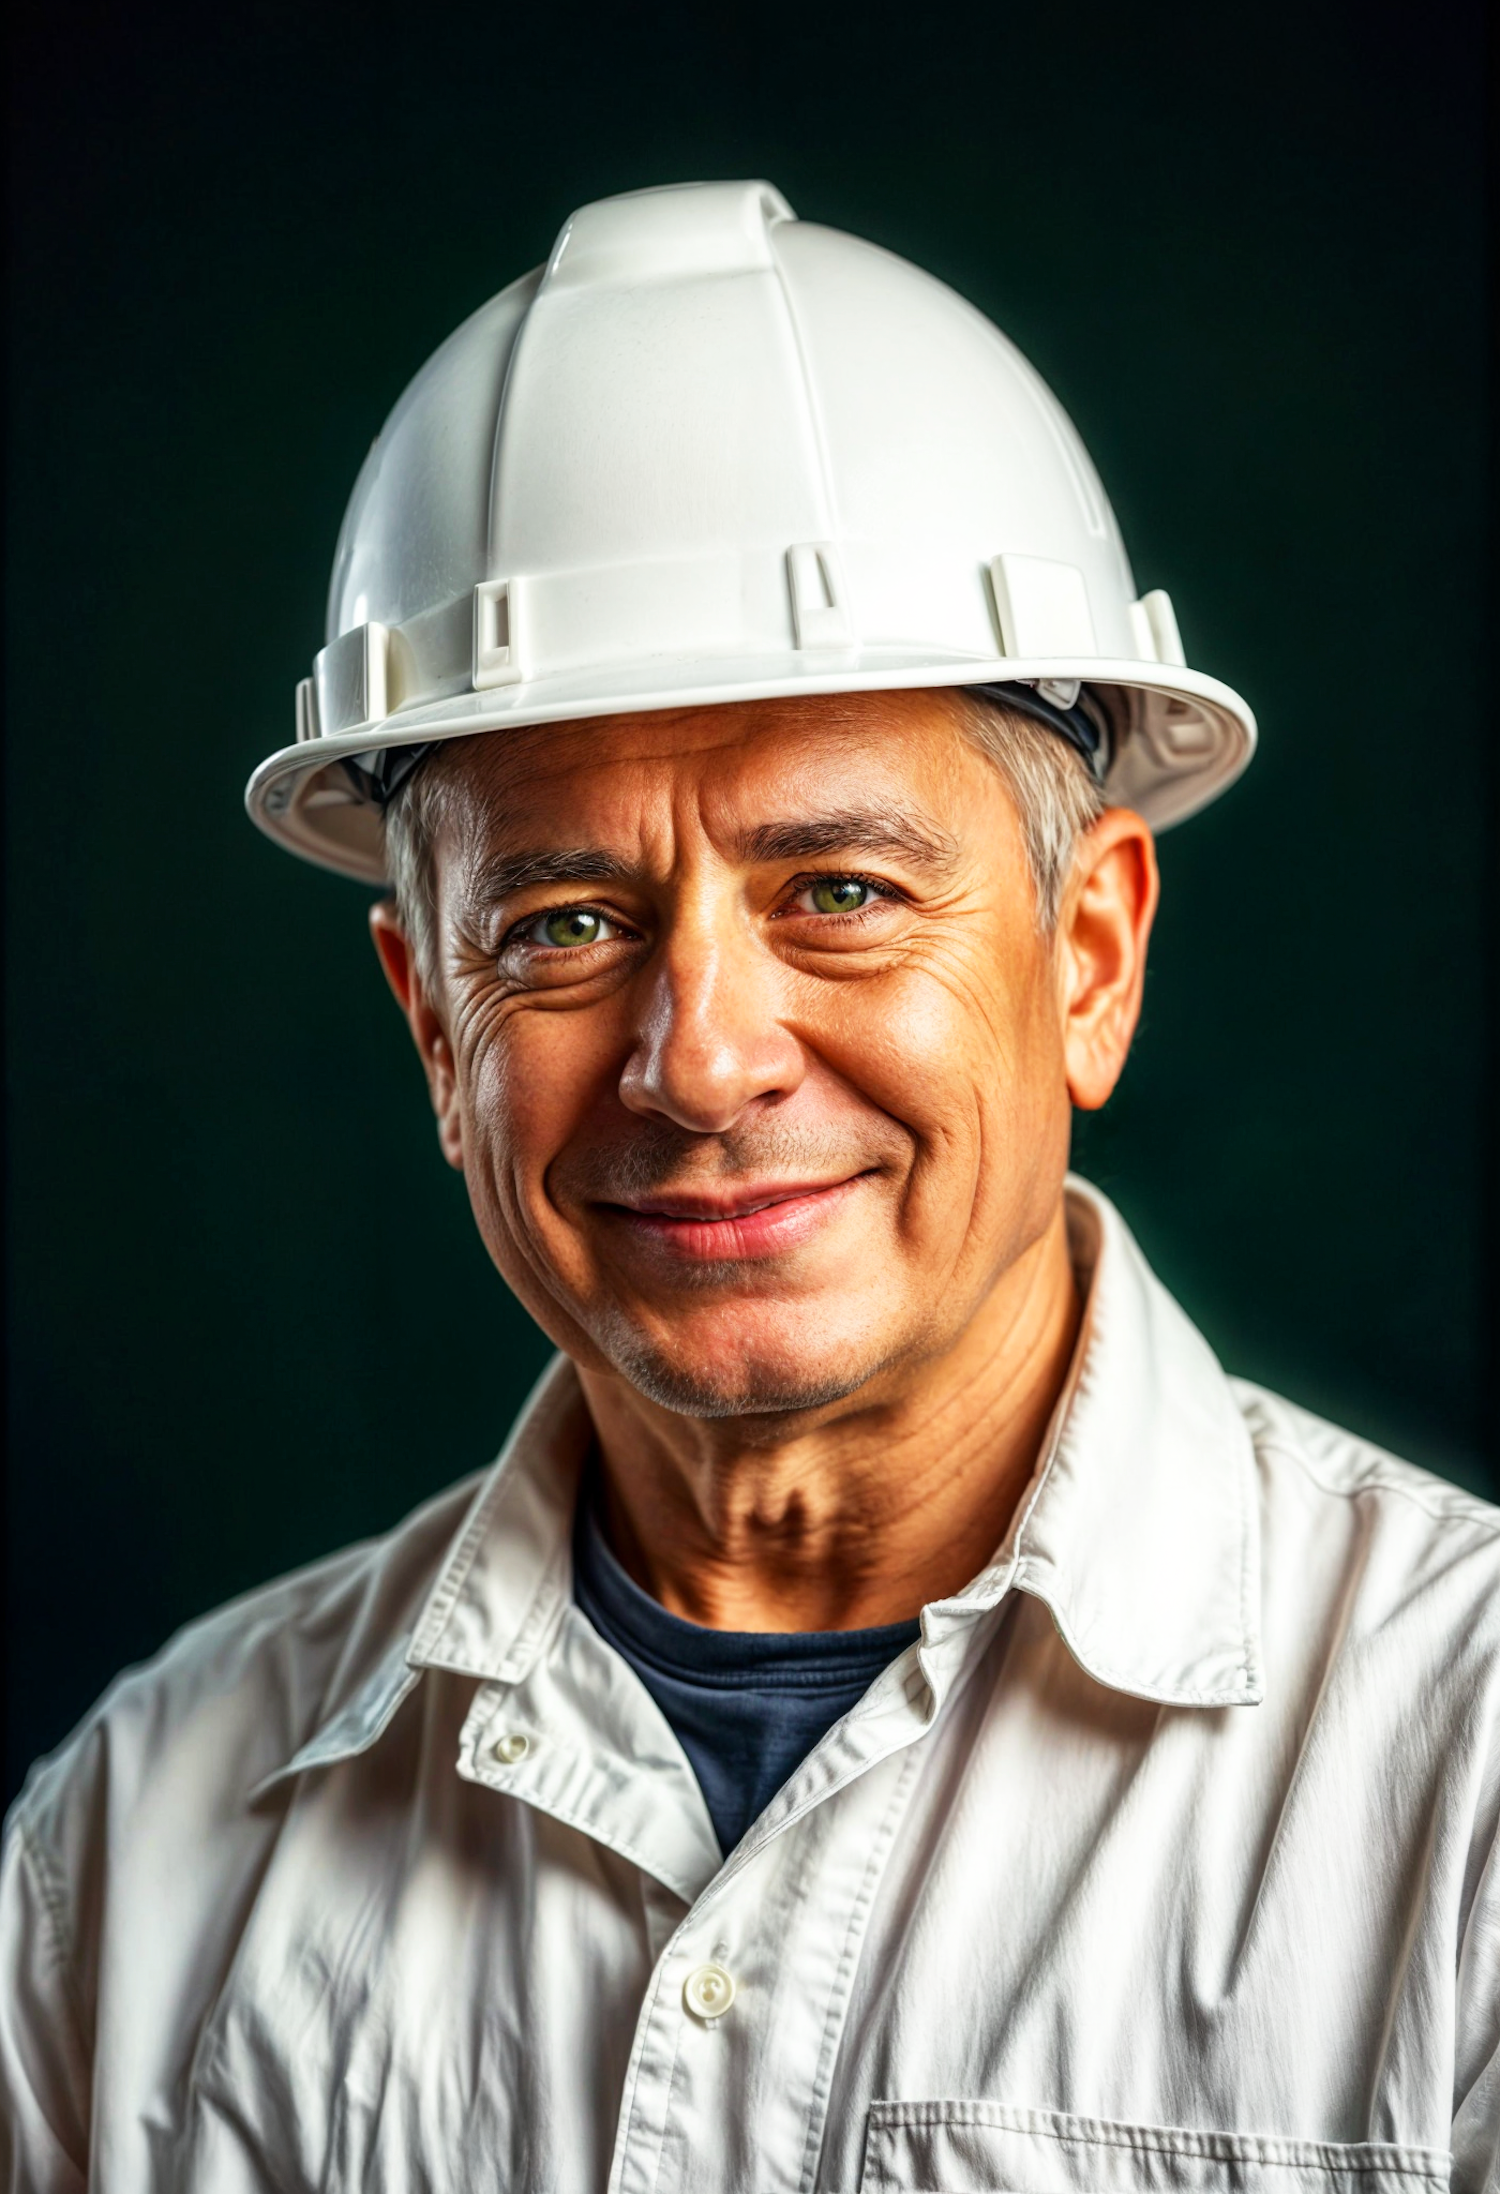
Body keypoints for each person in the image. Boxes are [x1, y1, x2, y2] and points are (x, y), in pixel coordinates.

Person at [2, 180, 1495, 2194]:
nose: (700, 1056)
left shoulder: (1463, 1781)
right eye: (561, 919)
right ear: (430, 1022)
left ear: (1089, 955)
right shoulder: (128, 1863)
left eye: (844, 892)